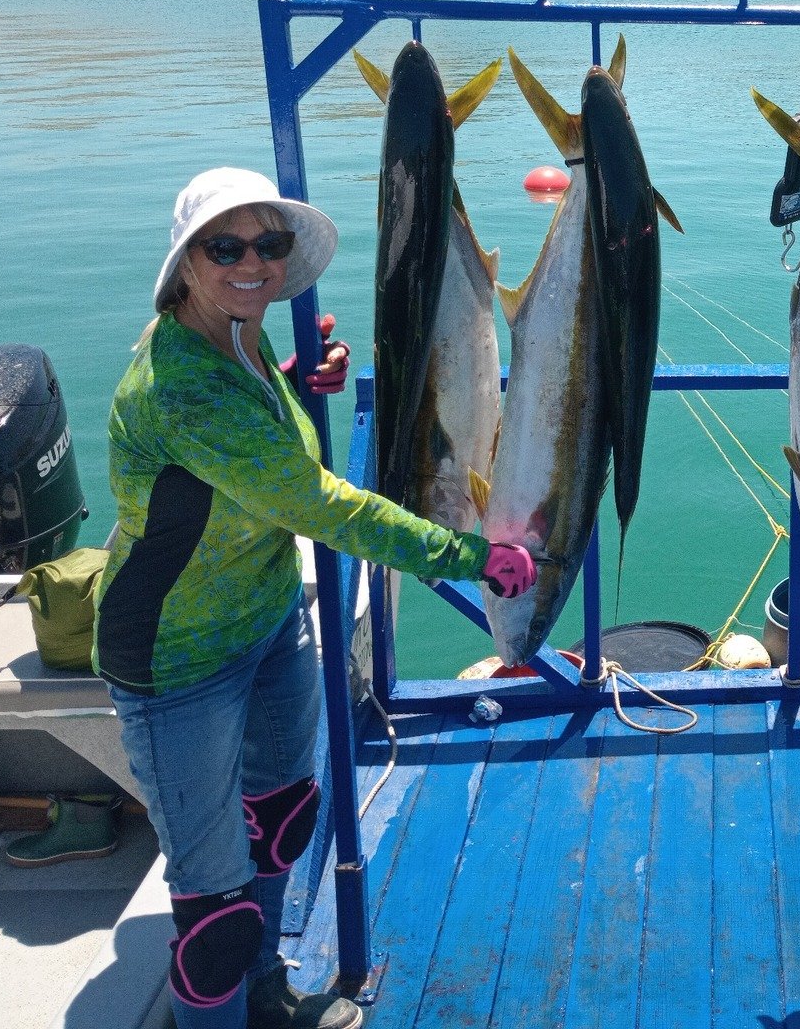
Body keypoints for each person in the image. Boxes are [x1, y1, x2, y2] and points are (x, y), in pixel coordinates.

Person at [99, 168, 537, 1029]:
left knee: (284, 818)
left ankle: (267, 997)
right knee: (213, 907)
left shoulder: (237, 332)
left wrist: (296, 387)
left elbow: (246, 458)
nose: (252, 262)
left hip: (265, 622)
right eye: (226, 247)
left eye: (271, 244)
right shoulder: (180, 385)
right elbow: (320, 505)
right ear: (186, 261)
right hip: (177, 658)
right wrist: (469, 554)